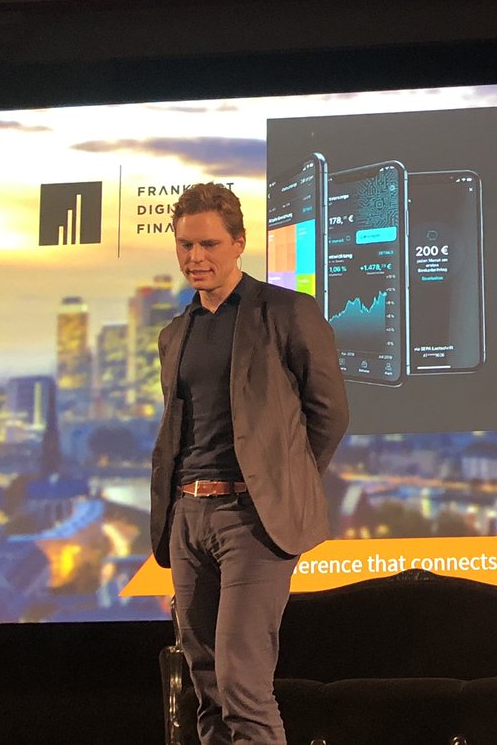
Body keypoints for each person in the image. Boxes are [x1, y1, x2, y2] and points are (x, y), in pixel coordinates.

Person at [149, 182, 349, 745]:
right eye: (185, 245)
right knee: (207, 686)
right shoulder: (175, 333)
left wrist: (281, 483)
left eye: (209, 244)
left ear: (238, 243)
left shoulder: (286, 312)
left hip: (253, 519)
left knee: (242, 684)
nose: (195, 257)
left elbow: (329, 413)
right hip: (188, 517)